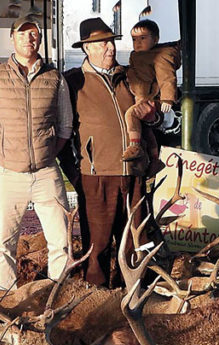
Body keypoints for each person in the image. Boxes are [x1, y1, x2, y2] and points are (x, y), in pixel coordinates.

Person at [59, 18, 158, 288]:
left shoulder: (130, 77)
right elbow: (63, 134)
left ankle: (138, 296)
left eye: (111, 41)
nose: (110, 48)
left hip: (133, 175)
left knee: (137, 241)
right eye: (102, 43)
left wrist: (155, 117)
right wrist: (77, 176)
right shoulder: (73, 83)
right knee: (97, 245)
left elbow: (153, 118)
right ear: (86, 48)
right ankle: (97, 300)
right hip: (96, 177)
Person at [0, 15, 73, 290]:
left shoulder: (55, 78)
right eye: (22, 34)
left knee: (60, 242)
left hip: (46, 174)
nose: (29, 39)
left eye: (34, 34)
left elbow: (65, 125)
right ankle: (6, 302)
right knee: (4, 244)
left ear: (39, 39)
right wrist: (6, 159)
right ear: (12, 38)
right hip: (8, 175)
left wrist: (46, 155)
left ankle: (57, 296)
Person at [122, 19, 180, 161]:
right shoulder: (137, 56)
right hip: (141, 96)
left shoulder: (160, 56)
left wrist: (167, 98)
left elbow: (167, 77)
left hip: (152, 98)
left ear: (155, 39)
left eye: (143, 38)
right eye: (134, 39)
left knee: (131, 115)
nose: (138, 42)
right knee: (146, 129)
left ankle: (134, 146)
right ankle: (154, 157)